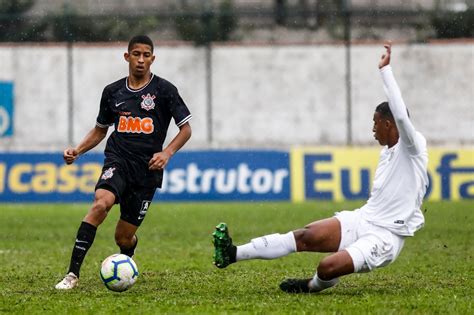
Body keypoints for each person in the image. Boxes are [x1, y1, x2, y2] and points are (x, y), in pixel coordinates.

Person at [212, 42, 428, 293]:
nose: (372, 129)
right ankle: (233, 253)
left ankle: (312, 285)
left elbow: (401, 116)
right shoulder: (387, 152)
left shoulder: (413, 147)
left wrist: (385, 71)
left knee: (326, 268)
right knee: (305, 236)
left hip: (384, 237)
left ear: (389, 124)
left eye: (375, 123)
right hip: (363, 219)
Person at [55, 35, 192, 290]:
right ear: (127, 57)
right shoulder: (113, 91)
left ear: (153, 59)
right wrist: (78, 150)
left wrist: (167, 153)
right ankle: (72, 275)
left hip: (146, 172)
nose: (141, 60)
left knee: (123, 237)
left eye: (146, 55)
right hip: (117, 161)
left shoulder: (164, 90)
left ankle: (127, 261)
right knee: (100, 204)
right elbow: (100, 130)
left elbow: (186, 129)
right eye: (136, 54)